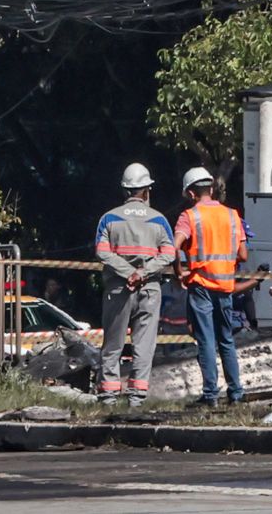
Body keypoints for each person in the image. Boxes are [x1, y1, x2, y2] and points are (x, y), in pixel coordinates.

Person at [93, 163, 175, 407]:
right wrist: (143, 272)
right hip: (149, 289)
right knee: (144, 344)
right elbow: (169, 254)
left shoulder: (108, 218)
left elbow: (102, 252)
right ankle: (137, 398)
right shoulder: (159, 220)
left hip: (119, 289)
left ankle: (108, 396)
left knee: (113, 343)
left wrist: (128, 273)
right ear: (147, 191)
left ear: (125, 191)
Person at [173, 166, 248, 407]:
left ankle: (211, 396)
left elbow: (174, 246)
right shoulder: (232, 215)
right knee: (226, 340)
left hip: (202, 286)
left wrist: (179, 272)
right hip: (225, 286)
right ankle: (236, 394)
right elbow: (243, 254)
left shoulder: (189, 216)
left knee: (206, 340)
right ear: (212, 189)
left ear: (191, 193)